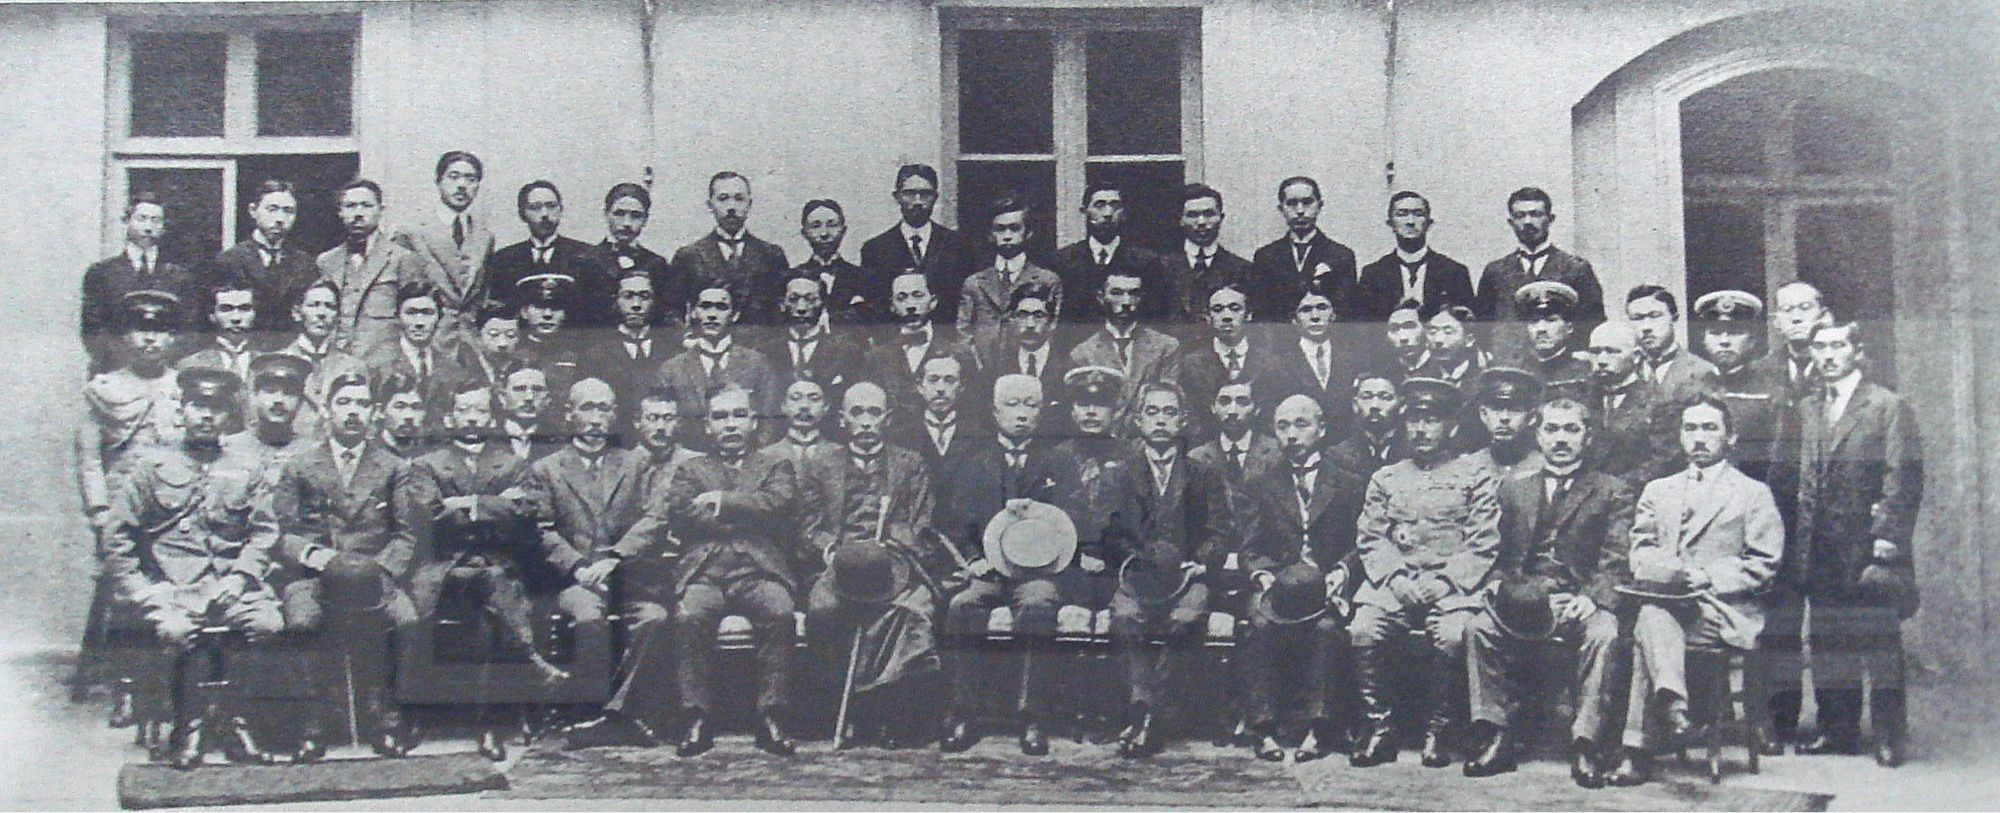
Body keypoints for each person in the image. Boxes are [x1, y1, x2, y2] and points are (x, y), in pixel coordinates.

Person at [98, 368, 283, 766]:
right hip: (174, 589)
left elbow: (265, 533)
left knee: (267, 624)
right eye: (198, 405)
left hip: (232, 585)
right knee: (178, 630)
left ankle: (237, 723)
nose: (205, 416)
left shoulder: (246, 467)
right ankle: (189, 725)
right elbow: (117, 537)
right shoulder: (153, 467)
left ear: (229, 416)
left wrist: (241, 575)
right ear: (182, 409)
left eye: (215, 408)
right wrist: (143, 589)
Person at [1605, 396, 1783, 786]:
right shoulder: (1658, 490)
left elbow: (1765, 563)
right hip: (1668, 603)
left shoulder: (1753, 494)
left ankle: (1638, 748)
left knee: (1646, 629)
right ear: (1680, 436)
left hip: (1721, 610)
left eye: (1710, 428)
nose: (1699, 438)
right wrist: (1668, 571)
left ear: (1730, 437)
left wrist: (1707, 576)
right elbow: (1641, 550)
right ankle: (1672, 704)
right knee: (1651, 619)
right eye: (1691, 428)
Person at [1462, 396, 1634, 786]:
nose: (1561, 439)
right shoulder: (1513, 489)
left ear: (1587, 437)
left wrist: (1592, 597)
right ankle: (1498, 735)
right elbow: (1499, 555)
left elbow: (1617, 557)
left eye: (1571, 429)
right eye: (1552, 429)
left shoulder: (1612, 491)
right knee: (1477, 629)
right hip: (1525, 598)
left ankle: (1585, 743)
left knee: (1605, 635)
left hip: (1580, 600)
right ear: (1537, 434)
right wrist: (1504, 590)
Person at [400, 378, 565, 761]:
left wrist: (465, 504)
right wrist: (490, 505)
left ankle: (488, 722)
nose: (472, 419)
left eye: (480, 411)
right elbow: (430, 516)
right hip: (445, 569)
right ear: (449, 416)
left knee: (487, 617)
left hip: (497, 566)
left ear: (491, 416)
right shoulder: (425, 465)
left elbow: (525, 515)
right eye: (464, 410)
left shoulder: (511, 463)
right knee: (487, 585)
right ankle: (531, 660)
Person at [267, 372, 423, 760]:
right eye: (344, 403)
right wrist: (319, 558)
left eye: (362, 405)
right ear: (326, 410)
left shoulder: (393, 467)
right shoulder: (300, 466)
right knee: (303, 622)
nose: (353, 413)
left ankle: (384, 717)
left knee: (405, 619)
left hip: (374, 576)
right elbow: (283, 532)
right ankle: (312, 724)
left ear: (373, 413)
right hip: (316, 576)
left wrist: (380, 571)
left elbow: (406, 535)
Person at [1790, 321, 1924, 765]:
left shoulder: (1886, 405)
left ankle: (1888, 735)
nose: (1827, 356)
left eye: (1837, 346)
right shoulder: (1809, 407)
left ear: (1856, 350)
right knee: (1828, 642)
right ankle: (1838, 729)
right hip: (1821, 545)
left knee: (1879, 644)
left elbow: (1902, 477)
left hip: (1867, 546)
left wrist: (1888, 538)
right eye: (1819, 347)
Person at [1350, 377, 1501, 769]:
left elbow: (1483, 541)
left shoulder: (1475, 474)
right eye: (1414, 419)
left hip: (1451, 586)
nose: (1421, 429)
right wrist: (1396, 578)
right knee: (1364, 627)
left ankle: (1439, 731)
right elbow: (1370, 537)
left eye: (1431, 420)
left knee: (1454, 635)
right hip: (1395, 583)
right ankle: (1380, 729)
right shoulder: (1386, 477)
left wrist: (1446, 581)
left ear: (1451, 426)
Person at [798, 382, 953, 747]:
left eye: (873, 413)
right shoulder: (819, 465)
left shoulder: (910, 464)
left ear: (887, 418)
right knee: (822, 609)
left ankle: (889, 712)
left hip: (894, 566)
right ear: (841, 419)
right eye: (857, 413)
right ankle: (840, 708)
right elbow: (809, 526)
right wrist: (832, 552)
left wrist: (895, 544)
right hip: (839, 567)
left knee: (912, 611)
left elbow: (921, 523)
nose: (866, 422)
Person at [525, 379, 670, 750]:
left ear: (614, 416)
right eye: (587, 408)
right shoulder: (546, 469)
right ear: (569, 414)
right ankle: (587, 711)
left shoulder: (637, 464)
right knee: (589, 618)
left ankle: (616, 714)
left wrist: (616, 557)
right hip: (573, 580)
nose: (595, 419)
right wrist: (577, 567)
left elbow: (655, 518)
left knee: (654, 618)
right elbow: (540, 530)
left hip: (624, 575)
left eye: (603, 409)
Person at [660, 383, 802, 757]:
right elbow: (681, 512)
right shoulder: (690, 469)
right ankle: (696, 718)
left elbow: (779, 505)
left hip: (759, 570)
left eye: (739, 415)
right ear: (707, 425)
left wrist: (721, 501)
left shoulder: (776, 464)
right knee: (690, 614)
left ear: (754, 422)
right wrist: (746, 514)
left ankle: (771, 717)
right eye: (720, 417)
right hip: (704, 569)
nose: (730, 425)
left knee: (780, 611)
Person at [934, 374, 1066, 756]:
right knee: (962, 606)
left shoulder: (1056, 461)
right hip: (989, 572)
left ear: (1041, 414)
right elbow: (957, 525)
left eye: (1030, 405)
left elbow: (1070, 521)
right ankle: (963, 712)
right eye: (1012, 404)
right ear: (995, 412)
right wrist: (973, 561)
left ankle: (1032, 717)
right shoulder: (972, 464)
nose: (1021, 414)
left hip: (1039, 573)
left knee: (1039, 604)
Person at [1238, 395, 1367, 762]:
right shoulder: (1261, 483)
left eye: (1301, 425)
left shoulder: (1349, 483)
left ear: (1321, 430)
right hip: (1280, 587)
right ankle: (1262, 728)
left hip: (1326, 586)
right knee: (1258, 624)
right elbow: (1250, 549)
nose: (1292, 435)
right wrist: (1265, 577)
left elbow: (1361, 543)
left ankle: (1319, 728)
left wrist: (1342, 571)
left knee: (1327, 629)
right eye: (1283, 426)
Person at [1108, 382, 1230, 758]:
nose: (1160, 420)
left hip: (1187, 577)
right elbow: (1112, 532)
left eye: (1169, 412)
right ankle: (1145, 709)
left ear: (1183, 421)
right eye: (1152, 412)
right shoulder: (1122, 473)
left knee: (1187, 619)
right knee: (1126, 615)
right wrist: (1138, 560)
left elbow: (1219, 531)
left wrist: (1202, 561)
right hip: (1140, 578)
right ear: (1138, 420)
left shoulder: (1201, 472)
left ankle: (1148, 714)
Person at [77, 291, 188, 529]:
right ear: (126, 336)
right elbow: (90, 458)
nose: (150, 339)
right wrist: (99, 508)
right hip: (120, 505)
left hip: (177, 507)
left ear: (172, 337)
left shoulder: (186, 387)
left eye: (159, 330)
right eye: (140, 329)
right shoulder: (104, 389)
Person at [1473, 187, 1605, 359]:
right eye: (1520, 216)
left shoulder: (1576, 268)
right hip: (1509, 367)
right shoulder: (1495, 271)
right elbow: (1482, 327)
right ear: (1511, 222)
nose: (1528, 222)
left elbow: (1593, 323)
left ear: (1550, 219)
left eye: (1536, 214)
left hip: (1560, 368)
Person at [82, 192, 196, 373]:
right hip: (114, 370)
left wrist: (158, 362)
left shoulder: (179, 275)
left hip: (164, 371)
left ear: (163, 227)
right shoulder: (102, 273)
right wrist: (127, 364)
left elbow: (189, 328)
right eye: (142, 219)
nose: (148, 227)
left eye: (155, 221)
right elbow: (93, 329)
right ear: (126, 222)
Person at [655, 282, 782, 441]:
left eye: (721, 307)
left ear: (734, 315)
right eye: (705, 306)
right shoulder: (671, 370)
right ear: (693, 312)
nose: (712, 315)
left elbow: (768, 421)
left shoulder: (758, 364)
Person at [394, 151, 497, 345]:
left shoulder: (485, 238)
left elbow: (482, 296)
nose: (462, 185)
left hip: (471, 341)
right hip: (430, 341)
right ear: (439, 181)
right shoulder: (411, 233)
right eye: (454, 176)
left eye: (471, 179)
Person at [860, 164, 975, 325]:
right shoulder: (875, 249)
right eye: (910, 193)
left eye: (925, 194)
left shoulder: (958, 245)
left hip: (946, 341)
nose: (918, 201)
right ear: (897, 197)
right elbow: (875, 306)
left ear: (935, 197)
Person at [318, 179, 421, 357]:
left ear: (381, 211)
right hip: (336, 360)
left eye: (366, 206)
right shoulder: (327, 261)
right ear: (340, 212)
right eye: (350, 206)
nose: (358, 213)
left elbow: (414, 316)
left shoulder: (402, 259)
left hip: (385, 361)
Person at [672, 171, 789, 325]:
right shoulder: (689, 256)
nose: (731, 207)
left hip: (761, 346)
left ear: (749, 204)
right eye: (723, 199)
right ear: (710, 205)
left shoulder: (771, 255)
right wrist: (687, 340)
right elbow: (672, 310)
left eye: (739, 199)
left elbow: (784, 309)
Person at [1050, 179, 1167, 329]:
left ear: (1123, 212)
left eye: (1115, 206)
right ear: (1084, 211)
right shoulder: (1062, 261)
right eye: (1100, 205)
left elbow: (1156, 318)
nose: (1108, 213)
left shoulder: (1145, 262)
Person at [862, 271, 976, 420]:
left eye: (917, 295)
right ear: (892, 306)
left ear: (932, 302)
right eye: (902, 298)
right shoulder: (875, 358)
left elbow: (972, 408)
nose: (910, 305)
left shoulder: (960, 353)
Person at [1068, 269, 1180, 420]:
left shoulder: (1166, 347)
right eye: (1117, 293)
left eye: (1133, 294)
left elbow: (1169, 400)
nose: (1126, 302)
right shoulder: (1082, 353)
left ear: (1141, 298)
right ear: (1101, 297)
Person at [211, 179, 316, 339]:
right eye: (272, 209)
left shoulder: (305, 263)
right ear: (253, 210)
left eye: (288, 211)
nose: (280, 219)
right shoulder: (229, 261)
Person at [959, 194, 1062, 352]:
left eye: (1015, 228)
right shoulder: (974, 283)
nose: (1007, 236)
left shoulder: (1047, 280)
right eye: (1000, 229)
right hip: (983, 369)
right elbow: (963, 331)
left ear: (1028, 233)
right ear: (990, 235)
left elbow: (1053, 330)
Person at [1170, 282, 1272, 440]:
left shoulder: (1270, 361)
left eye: (1235, 308)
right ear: (1208, 318)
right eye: (1217, 310)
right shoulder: (1190, 364)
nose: (1226, 317)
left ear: (1249, 315)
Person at [1249, 176, 1358, 323]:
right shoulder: (1265, 256)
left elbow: (1346, 315)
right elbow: (1262, 314)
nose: (1300, 211)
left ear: (1320, 206)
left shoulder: (1341, 256)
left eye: (1307, 203)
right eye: (1291, 204)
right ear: (1281, 209)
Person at [1585, 322, 1681, 486]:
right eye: (1595, 352)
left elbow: (1664, 462)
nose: (1601, 360)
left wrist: (1610, 487)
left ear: (1636, 356)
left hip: (1631, 496)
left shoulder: (1661, 402)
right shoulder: (1581, 397)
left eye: (1612, 352)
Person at [1354, 192, 1475, 321]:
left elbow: (1467, 325)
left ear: (1429, 223)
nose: (1410, 222)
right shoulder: (1373, 274)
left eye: (1418, 214)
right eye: (1402, 214)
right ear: (1391, 224)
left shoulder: (1454, 272)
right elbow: (1366, 329)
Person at [579, 182, 682, 334]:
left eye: (635, 216)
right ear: (606, 214)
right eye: (619, 214)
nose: (627, 223)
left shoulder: (656, 264)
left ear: (646, 219)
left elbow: (665, 316)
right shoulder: (586, 261)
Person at [490, 181, 597, 326]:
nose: (545, 214)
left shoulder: (586, 255)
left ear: (561, 210)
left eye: (551, 206)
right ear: (522, 214)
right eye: (535, 208)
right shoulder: (504, 259)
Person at [581, 269, 671, 431]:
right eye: (628, 296)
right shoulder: (595, 356)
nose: (636, 305)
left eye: (644, 297)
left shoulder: (672, 351)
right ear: (616, 301)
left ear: (655, 301)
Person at [361, 281, 467, 412]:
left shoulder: (452, 369)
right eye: (411, 313)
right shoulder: (375, 364)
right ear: (398, 316)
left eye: (427, 313)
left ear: (439, 317)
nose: (419, 322)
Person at [1267, 278, 1359, 426]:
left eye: (1322, 308)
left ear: (1333, 314)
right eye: (1306, 310)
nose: (1315, 316)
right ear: (1294, 319)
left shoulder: (1353, 358)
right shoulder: (1278, 364)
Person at [1162, 184, 1254, 330]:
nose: (1201, 222)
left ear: (1221, 218)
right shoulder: (1161, 267)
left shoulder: (1243, 269)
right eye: (1192, 215)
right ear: (1180, 219)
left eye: (1209, 214)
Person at [975, 284, 1072, 414]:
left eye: (1038, 316)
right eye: (1022, 315)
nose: (1030, 324)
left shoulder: (1067, 364)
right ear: (1012, 319)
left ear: (1051, 321)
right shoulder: (996, 365)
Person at [276, 280, 369, 413]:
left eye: (330, 307)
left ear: (337, 316)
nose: (322, 313)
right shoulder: (280, 362)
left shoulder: (354, 367)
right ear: (297, 313)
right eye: (314, 305)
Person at [762, 273, 865, 392]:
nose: (801, 308)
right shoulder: (766, 353)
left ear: (824, 304)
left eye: (810, 299)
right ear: (782, 304)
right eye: (793, 299)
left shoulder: (847, 353)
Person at [1627, 285, 1718, 408]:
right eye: (1637, 318)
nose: (1646, 327)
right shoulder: (1626, 372)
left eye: (1655, 316)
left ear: (1674, 317)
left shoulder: (1703, 372)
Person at [793, 199, 880, 326]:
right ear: (804, 233)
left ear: (843, 230)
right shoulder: (793, 277)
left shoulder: (864, 278)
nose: (824, 233)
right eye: (816, 226)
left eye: (832, 225)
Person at [177, 279, 268, 395]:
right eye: (226, 309)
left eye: (244, 309)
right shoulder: (190, 365)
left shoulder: (267, 364)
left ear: (255, 314)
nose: (236, 317)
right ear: (212, 315)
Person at [887, 353, 976, 466]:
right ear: (920, 386)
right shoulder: (901, 437)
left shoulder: (977, 437)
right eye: (933, 380)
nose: (940, 389)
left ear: (961, 387)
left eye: (949, 380)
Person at [1757, 281, 1835, 402]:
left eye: (1805, 308)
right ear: (1776, 321)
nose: (1796, 318)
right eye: (1787, 310)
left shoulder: (1841, 366)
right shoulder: (1760, 371)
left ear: (1824, 315)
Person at [1464, 367, 1544, 476]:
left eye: (1515, 409)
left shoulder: (1543, 469)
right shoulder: (1464, 469)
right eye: (1496, 409)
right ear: (1483, 414)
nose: (1504, 417)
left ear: (1531, 418)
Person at [1325, 370, 1408, 475]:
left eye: (1385, 398)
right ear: (1355, 405)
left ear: (1402, 405)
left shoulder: (1412, 453)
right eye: (1366, 397)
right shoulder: (1337, 457)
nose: (1374, 405)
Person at [513, 273, 586, 392]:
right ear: (524, 312)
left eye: (556, 307)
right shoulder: (513, 352)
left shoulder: (579, 354)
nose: (547, 314)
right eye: (539, 306)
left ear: (566, 313)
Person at [1511, 281, 1589, 387]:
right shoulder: (1514, 372)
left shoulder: (1585, 372)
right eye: (1534, 322)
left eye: (1551, 320)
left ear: (1569, 327)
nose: (1541, 329)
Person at [1415, 302, 1487, 392]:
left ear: (1469, 340)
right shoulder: (1419, 379)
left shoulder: (1484, 380)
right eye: (1432, 332)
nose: (1438, 340)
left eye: (1448, 332)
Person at [458, 301, 526, 395]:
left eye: (511, 335)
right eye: (494, 335)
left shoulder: (526, 368)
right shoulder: (460, 369)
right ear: (478, 337)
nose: (502, 343)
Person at [765, 379, 837, 466]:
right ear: (783, 406)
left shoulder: (840, 454)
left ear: (826, 407)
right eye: (796, 398)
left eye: (814, 399)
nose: (804, 405)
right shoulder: (765, 456)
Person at [374, 372, 436, 460]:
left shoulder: (431, 455)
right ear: (381, 411)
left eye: (416, 407)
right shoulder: (366, 454)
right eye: (400, 407)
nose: (409, 416)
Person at [1382, 300, 1432, 381]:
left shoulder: (1443, 369)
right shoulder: (1385, 375)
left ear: (1425, 329)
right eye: (1394, 329)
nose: (1403, 338)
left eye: (1410, 326)